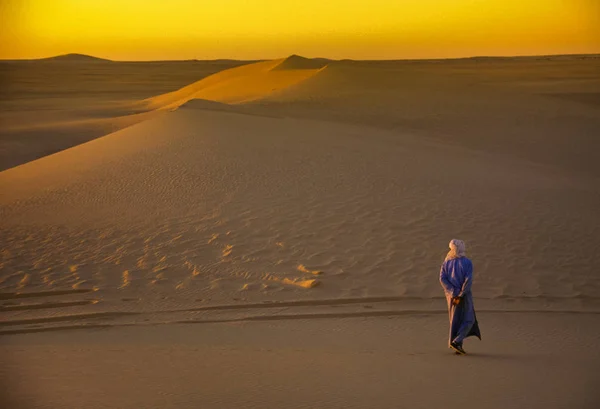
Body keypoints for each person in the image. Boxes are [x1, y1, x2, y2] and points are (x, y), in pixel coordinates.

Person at [439, 239, 481, 355]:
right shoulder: (467, 262)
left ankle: (458, 345)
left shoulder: (446, 263)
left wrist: (453, 292)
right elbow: (468, 280)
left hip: (451, 296)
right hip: (463, 296)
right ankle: (457, 341)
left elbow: (442, 279)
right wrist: (461, 294)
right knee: (469, 319)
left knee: (455, 319)